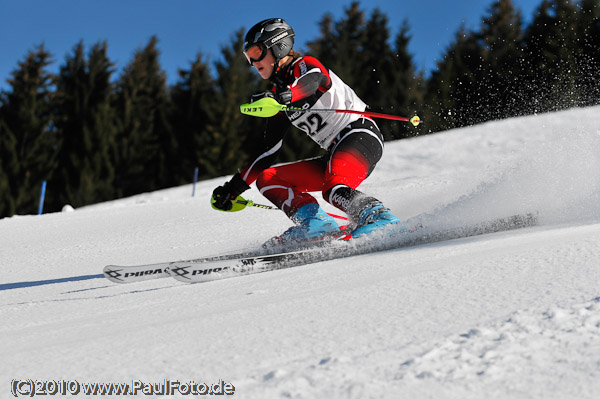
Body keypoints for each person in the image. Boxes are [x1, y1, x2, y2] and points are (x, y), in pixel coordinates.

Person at [211, 18, 400, 243]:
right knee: (268, 179)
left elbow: (313, 81)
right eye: (248, 57)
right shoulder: (278, 97)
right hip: (335, 151)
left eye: (256, 52)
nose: (253, 62)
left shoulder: (304, 65)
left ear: (277, 46)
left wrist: (288, 95)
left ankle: (380, 218)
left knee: (334, 189)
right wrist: (232, 189)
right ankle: (317, 225)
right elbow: (267, 152)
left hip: (360, 134)